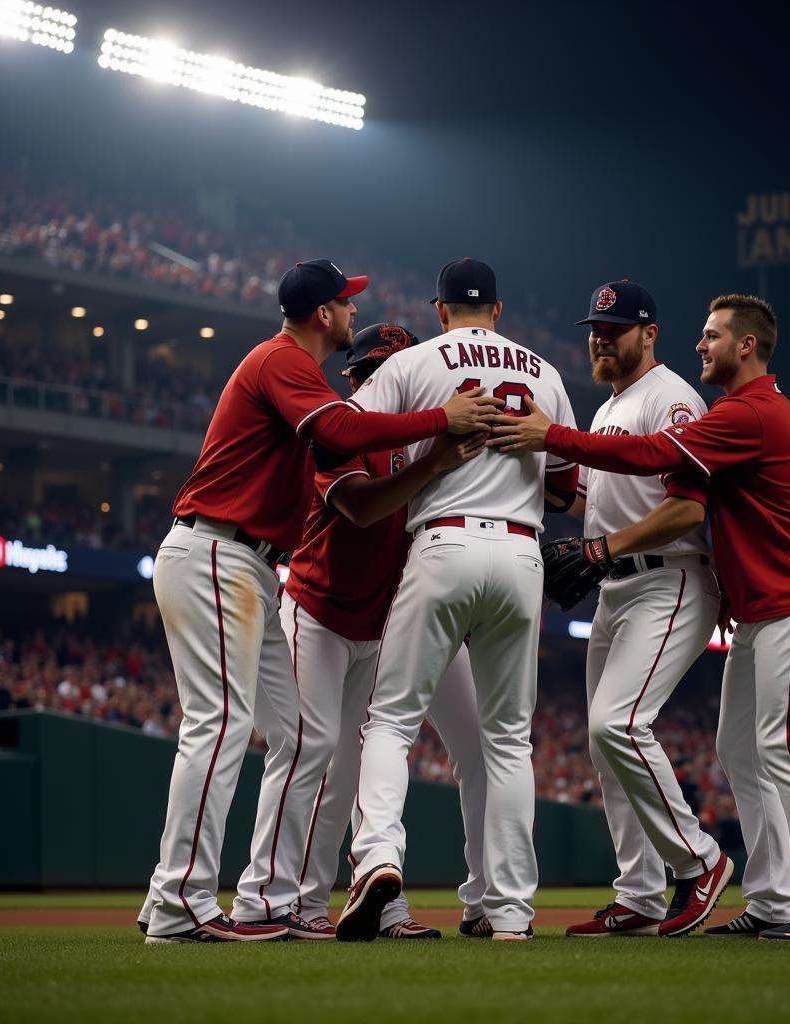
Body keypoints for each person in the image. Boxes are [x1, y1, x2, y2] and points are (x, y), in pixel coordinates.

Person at [139, 260, 501, 944]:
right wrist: (443, 417)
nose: (352, 310)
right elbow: (340, 435)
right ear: (321, 315)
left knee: (307, 736)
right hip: (216, 551)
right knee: (217, 725)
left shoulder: (298, 368)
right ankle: (177, 900)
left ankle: (270, 902)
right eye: (345, 302)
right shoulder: (282, 360)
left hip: (250, 563)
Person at [491, 293, 790, 941]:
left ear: (746, 345)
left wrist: (552, 438)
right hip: (758, 603)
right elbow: (618, 488)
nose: (701, 343)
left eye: (712, 335)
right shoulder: (647, 408)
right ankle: (764, 901)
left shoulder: (746, 411)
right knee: (741, 750)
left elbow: (662, 469)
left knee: (780, 749)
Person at [335, 258, 578, 942]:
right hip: (522, 552)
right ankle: (507, 913)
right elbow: (564, 487)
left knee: (390, 723)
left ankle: (378, 858)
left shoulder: (417, 362)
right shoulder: (545, 372)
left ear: (439, 311)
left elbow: (342, 432)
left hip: (442, 542)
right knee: (507, 741)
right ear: (498, 311)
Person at [229, 323, 490, 938]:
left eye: (390, 368)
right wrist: (436, 462)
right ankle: (287, 902)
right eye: (369, 369)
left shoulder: (423, 437)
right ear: (352, 377)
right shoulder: (341, 429)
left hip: (382, 624)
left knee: (358, 770)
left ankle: (377, 905)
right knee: (315, 758)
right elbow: (363, 506)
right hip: (316, 613)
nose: (376, 379)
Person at [556, 281, 732, 939]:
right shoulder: (608, 408)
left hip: (672, 579)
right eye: (596, 328)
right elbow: (600, 506)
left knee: (618, 724)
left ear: (649, 332)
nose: (602, 338)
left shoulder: (673, 398)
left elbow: (687, 508)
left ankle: (700, 860)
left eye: (616, 328)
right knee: (606, 749)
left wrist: (601, 547)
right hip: (617, 588)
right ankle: (639, 893)